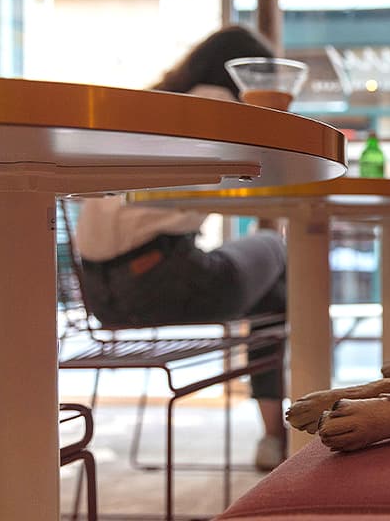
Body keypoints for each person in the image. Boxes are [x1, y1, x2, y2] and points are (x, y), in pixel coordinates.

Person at [75, 24, 289, 471]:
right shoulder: (221, 107)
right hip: (165, 281)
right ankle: (276, 434)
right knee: (274, 250)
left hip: (98, 297)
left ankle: (275, 434)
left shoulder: (148, 107)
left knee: (267, 284)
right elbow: (272, 172)